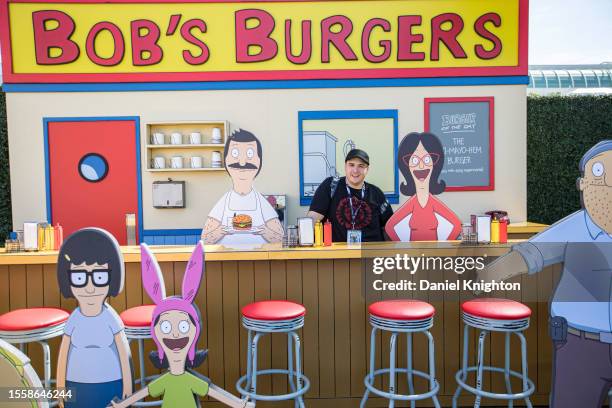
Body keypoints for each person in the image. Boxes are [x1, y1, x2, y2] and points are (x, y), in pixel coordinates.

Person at [478, 140, 612, 407]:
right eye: (599, 175)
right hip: (580, 343)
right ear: (583, 184)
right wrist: (482, 278)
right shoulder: (573, 228)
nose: (607, 186)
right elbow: (529, 255)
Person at [111, 243, 248, 408]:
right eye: (166, 328)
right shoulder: (168, 380)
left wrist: (239, 404)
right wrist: (121, 404)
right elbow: (144, 392)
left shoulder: (187, 380)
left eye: (183, 327)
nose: (175, 335)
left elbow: (212, 391)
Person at [55, 228, 132, 408]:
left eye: (99, 276)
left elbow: (124, 354)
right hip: (76, 385)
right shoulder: (74, 320)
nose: (90, 288)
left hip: (111, 384)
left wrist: (128, 388)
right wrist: (60, 389)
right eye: (80, 277)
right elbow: (63, 356)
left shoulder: (111, 319)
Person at [202, 129, 284, 246]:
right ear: (225, 161)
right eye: (235, 153)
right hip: (226, 259)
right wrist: (221, 230)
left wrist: (264, 231)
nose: (242, 162)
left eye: (250, 154)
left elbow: (280, 238)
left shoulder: (261, 202)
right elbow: (205, 238)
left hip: (258, 259)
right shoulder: (224, 201)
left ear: (259, 162)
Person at [385, 132, 461, 241]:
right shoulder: (412, 204)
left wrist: (443, 247)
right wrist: (403, 247)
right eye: (415, 160)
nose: (421, 166)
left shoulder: (434, 203)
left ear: (435, 164)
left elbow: (456, 226)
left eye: (426, 160)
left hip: (434, 257)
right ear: (407, 165)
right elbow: (390, 227)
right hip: (412, 256)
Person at [307, 148, 393, 242]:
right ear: (345, 166)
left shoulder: (376, 193)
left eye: (361, 166)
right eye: (351, 165)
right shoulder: (330, 186)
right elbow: (313, 219)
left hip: (371, 253)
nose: (355, 170)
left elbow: (391, 227)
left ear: (367, 169)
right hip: (338, 253)